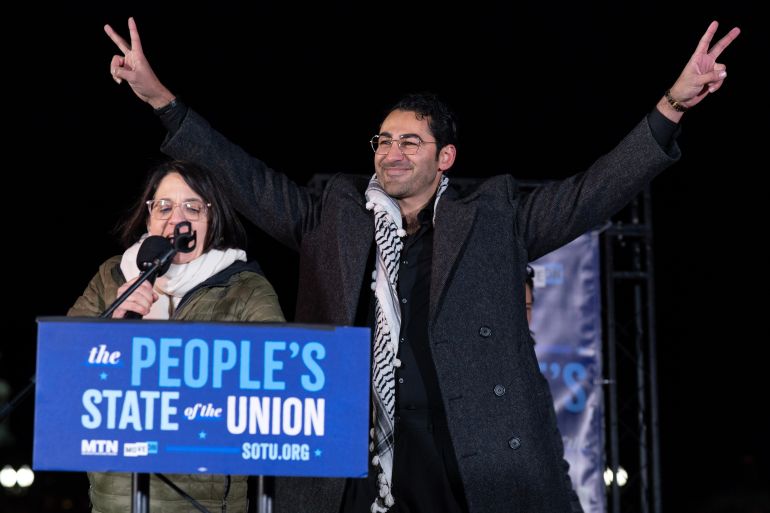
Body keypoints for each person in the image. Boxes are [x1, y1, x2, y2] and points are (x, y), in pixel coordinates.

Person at [104, 18, 739, 513]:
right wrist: (161, 99)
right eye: (383, 139)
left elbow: (594, 190)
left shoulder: (494, 218)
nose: (392, 151)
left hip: (466, 453)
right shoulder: (331, 212)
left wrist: (672, 107)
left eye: (411, 140)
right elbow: (241, 176)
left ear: (446, 157)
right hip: (354, 452)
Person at [68, 159, 285, 513]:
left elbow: (276, 384)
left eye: (192, 207)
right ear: (148, 217)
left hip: (204, 503)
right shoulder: (112, 277)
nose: (176, 219)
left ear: (212, 217)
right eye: (164, 207)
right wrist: (111, 330)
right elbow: (63, 368)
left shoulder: (245, 287)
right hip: (115, 499)